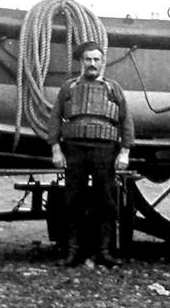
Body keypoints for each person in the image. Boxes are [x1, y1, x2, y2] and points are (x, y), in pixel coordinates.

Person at [46, 41, 134, 267]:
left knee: (105, 200)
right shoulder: (69, 87)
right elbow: (55, 118)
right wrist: (56, 149)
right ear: (81, 62)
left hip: (105, 151)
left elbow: (126, 120)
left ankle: (104, 251)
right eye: (88, 59)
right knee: (73, 200)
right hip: (74, 150)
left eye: (96, 59)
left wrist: (124, 151)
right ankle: (73, 252)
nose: (92, 63)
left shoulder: (113, 88)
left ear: (102, 62)